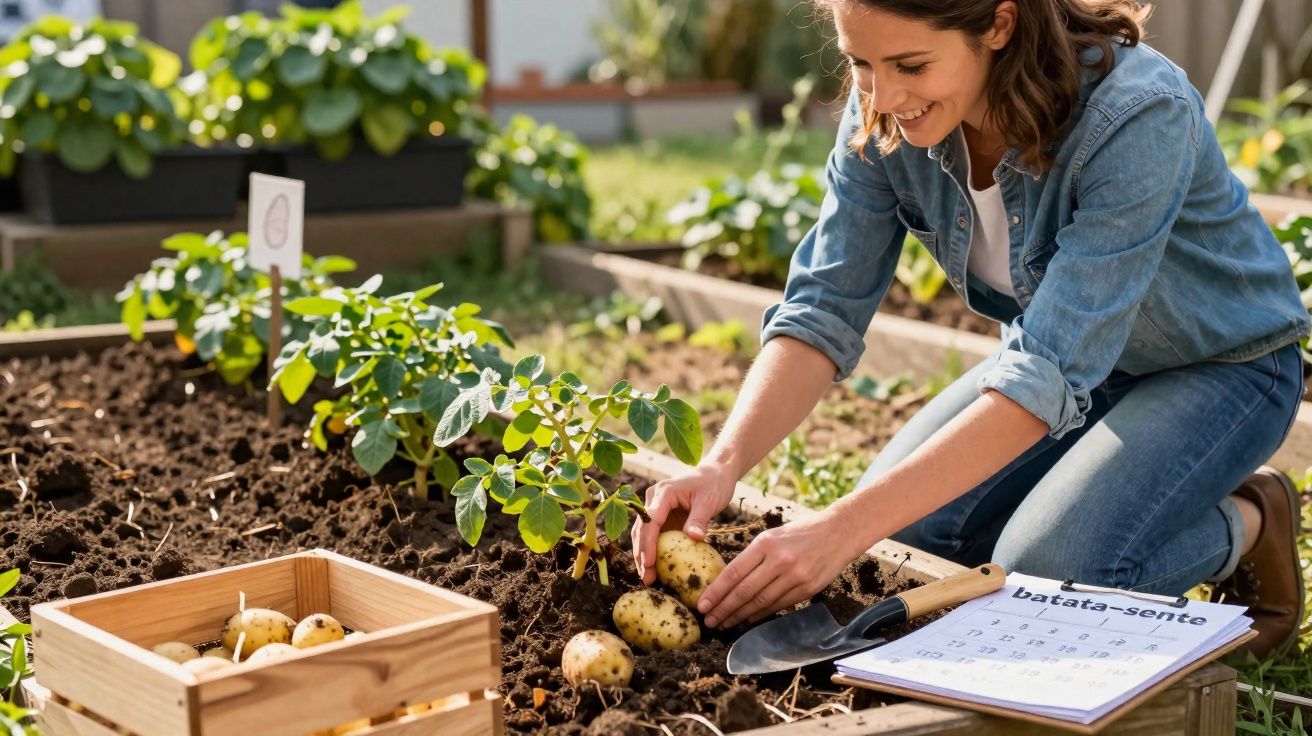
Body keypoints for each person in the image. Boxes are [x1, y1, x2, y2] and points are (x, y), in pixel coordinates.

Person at [632, 0, 1309, 659]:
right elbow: (823, 308)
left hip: (1222, 369)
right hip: (1075, 376)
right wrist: (721, 466)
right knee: (912, 543)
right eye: (860, 63)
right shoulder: (884, 120)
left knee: (1037, 582)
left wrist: (838, 527)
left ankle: (1250, 520)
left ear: (999, 24)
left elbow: (1047, 372)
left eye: (911, 65)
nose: (885, 95)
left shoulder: (1135, 113)